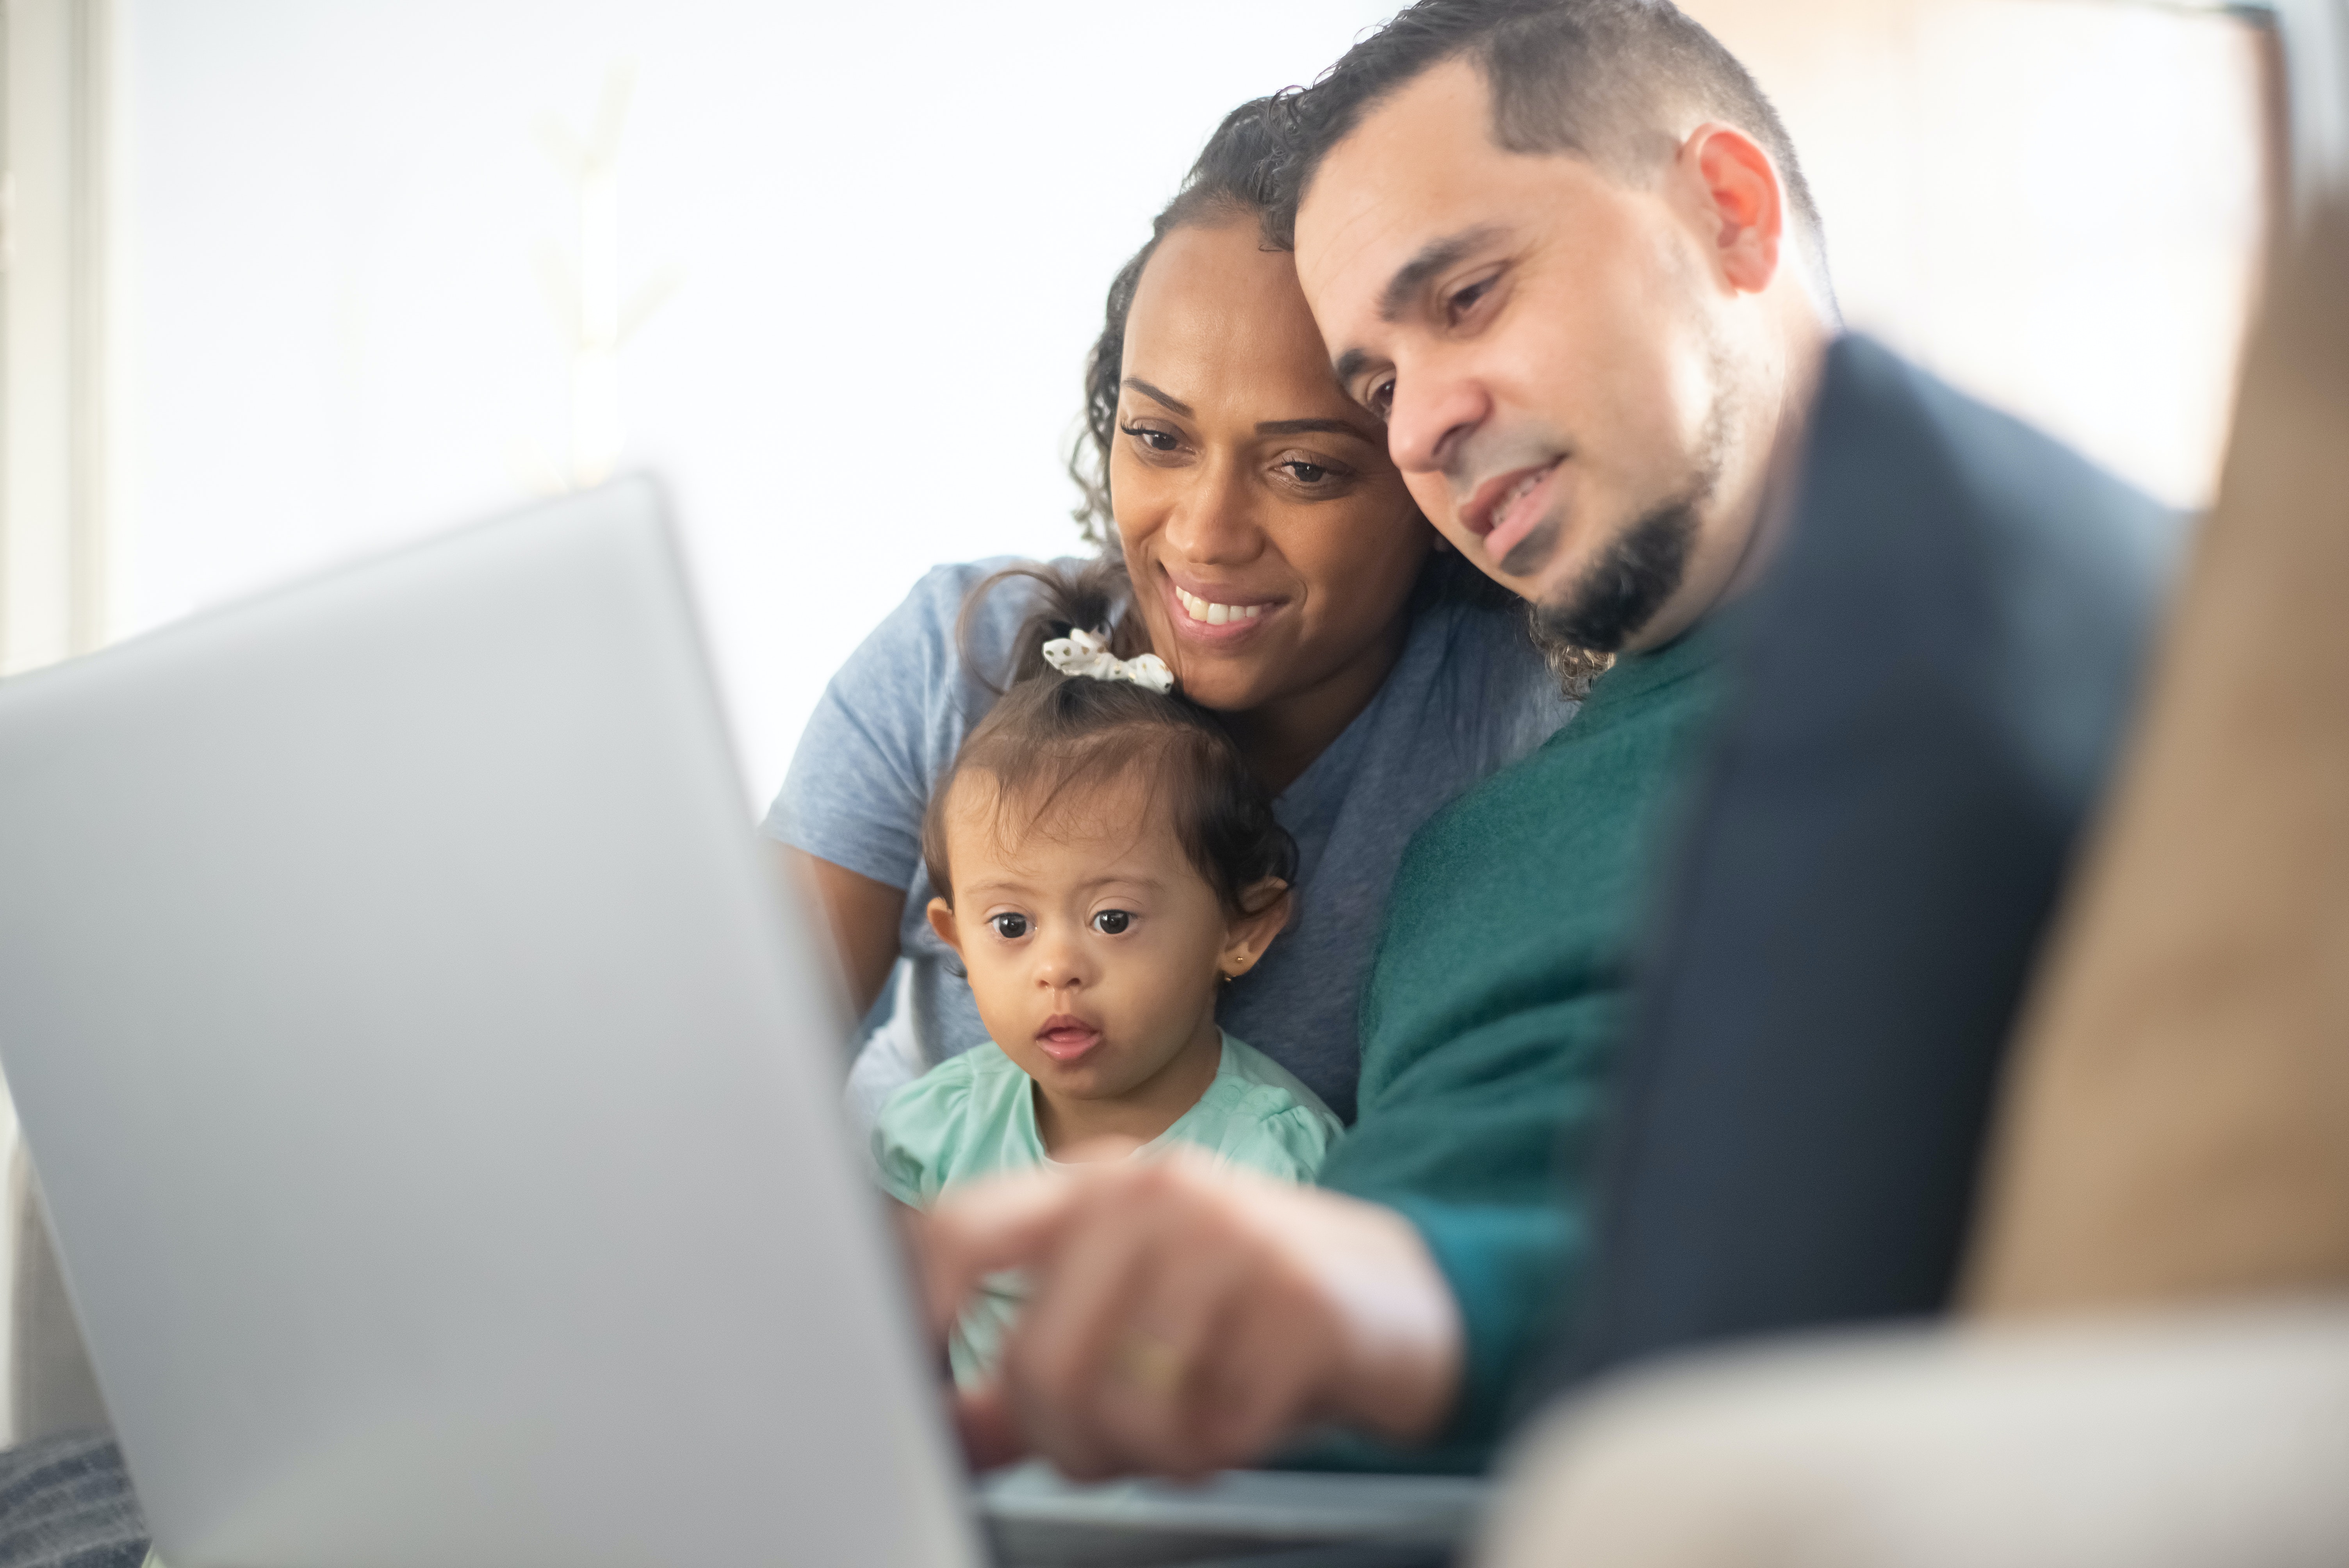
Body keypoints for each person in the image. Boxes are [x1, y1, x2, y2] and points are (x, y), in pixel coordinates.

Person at [917, 0, 1839, 1479]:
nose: (1425, 428)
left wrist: (1381, 1304)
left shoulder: (1952, 646)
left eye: (1468, 295)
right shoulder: (1483, 849)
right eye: (1381, 383)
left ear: (1724, 213)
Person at [766, 99, 1580, 1132]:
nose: (1205, 533)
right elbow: (722, 1087)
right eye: (1158, 438)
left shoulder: (1517, 725)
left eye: (1305, 468)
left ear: (1434, 471)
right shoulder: (948, 660)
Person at [872, 563, 1343, 1384]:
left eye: (1113, 920)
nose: (1057, 968)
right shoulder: (934, 1133)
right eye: (1010, 926)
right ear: (954, 939)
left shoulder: (1272, 1159)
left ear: (1241, 927)